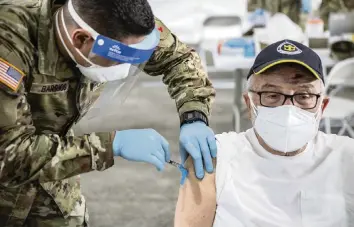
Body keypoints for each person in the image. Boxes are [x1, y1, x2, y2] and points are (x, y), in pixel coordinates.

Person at [0, 0, 217, 226]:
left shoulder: (122, 18)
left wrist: (194, 117)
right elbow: (10, 154)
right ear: (81, 39)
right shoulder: (10, 40)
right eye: (120, 59)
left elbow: (180, 59)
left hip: (54, 179)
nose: (125, 67)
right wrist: (110, 145)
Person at [174, 39, 354, 227]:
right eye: (271, 95)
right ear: (249, 104)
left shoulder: (347, 158)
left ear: (322, 106)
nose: (288, 109)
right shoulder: (216, 159)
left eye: (304, 96)